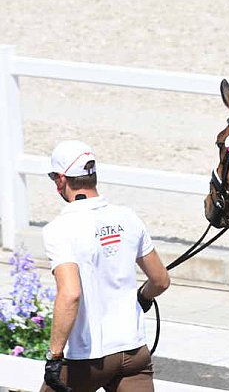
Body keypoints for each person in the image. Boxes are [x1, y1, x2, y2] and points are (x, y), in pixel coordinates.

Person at [40, 140, 170, 392]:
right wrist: (142, 298)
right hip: (134, 354)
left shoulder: (59, 229)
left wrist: (55, 355)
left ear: (61, 179)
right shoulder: (128, 217)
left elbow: (70, 294)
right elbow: (160, 280)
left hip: (87, 358)